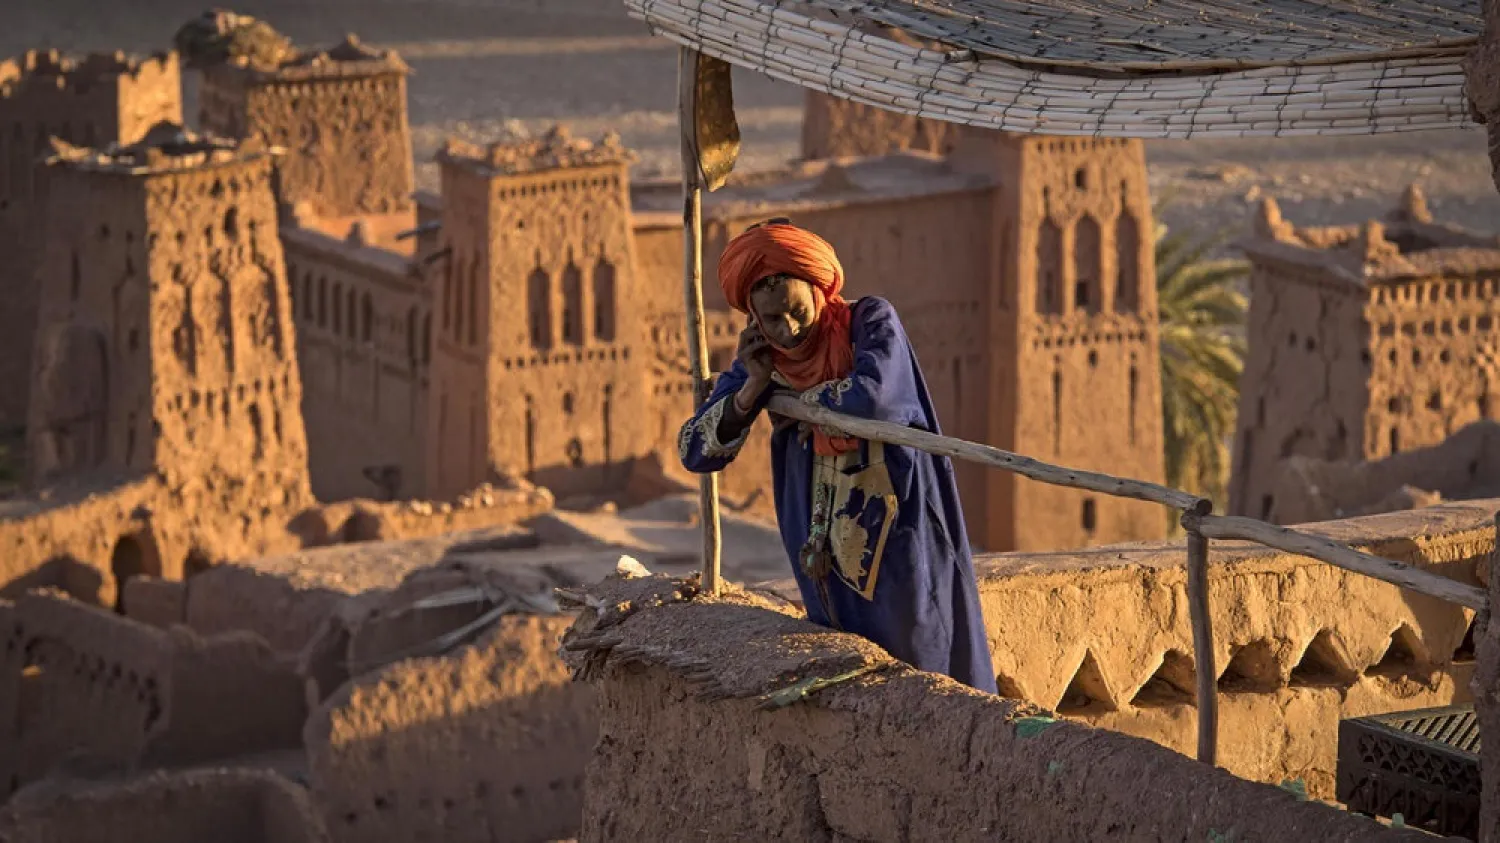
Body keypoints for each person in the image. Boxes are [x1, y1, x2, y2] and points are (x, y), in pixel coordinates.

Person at [677, 219, 997, 694]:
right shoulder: (762, 363)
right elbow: (695, 450)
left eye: (797, 311)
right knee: (848, 665)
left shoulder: (868, 321)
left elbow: (877, 397)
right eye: (772, 319)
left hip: (898, 531)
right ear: (753, 321)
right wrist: (752, 390)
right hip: (821, 553)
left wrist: (802, 403)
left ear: (818, 289)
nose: (788, 330)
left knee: (922, 654)